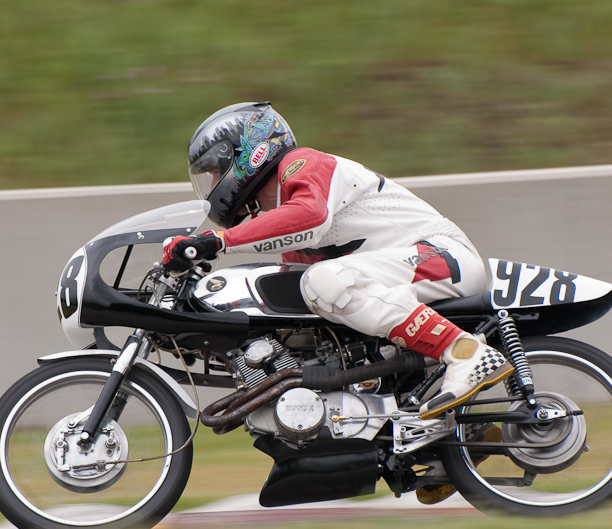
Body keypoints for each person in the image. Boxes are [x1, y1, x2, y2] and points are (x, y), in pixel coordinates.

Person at [162, 101, 513, 425]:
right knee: (314, 307)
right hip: (409, 273)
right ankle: (446, 445)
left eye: (214, 170)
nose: (211, 184)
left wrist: (214, 242)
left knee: (325, 281)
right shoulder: (289, 226)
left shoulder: (304, 165)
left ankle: (463, 352)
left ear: (245, 153)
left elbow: (309, 216)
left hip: (441, 257)